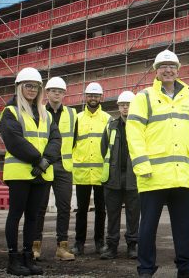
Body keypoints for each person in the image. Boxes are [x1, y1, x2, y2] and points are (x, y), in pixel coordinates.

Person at [126, 49, 189, 278]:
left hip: (182, 174)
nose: (168, 69)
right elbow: (134, 133)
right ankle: (145, 269)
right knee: (148, 226)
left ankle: (186, 267)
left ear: (178, 70)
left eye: (172, 65)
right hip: (153, 175)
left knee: (183, 226)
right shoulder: (144, 97)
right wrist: (142, 166)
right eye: (163, 66)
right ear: (156, 70)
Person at [1, 67, 61, 276]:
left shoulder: (46, 114)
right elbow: (14, 141)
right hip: (20, 173)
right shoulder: (11, 111)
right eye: (28, 85)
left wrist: (44, 162)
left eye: (35, 86)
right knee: (16, 215)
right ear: (19, 87)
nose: (32, 90)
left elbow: (55, 140)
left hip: (41, 173)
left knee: (33, 217)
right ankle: (13, 259)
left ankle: (28, 256)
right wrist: (39, 159)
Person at [34, 76, 77, 261]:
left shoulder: (72, 114)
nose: (57, 94)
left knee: (64, 207)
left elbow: (74, 138)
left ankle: (62, 247)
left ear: (64, 94)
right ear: (47, 93)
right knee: (39, 207)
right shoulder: (39, 111)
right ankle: (35, 246)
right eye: (53, 91)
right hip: (45, 165)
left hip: (64, 165)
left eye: (60, 92)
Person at [100, 90, 140, 260]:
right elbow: (104, 149)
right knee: (113, 214)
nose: (125, 107)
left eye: (128, 104)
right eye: (123, 105)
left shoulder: (140, 126)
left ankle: (132, 246)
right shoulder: (111, 126)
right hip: (113, 178)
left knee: (133, 214)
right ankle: (111, 247)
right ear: (118, 107)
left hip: (134, 178)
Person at [72, 82, 109, 256]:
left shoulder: (108, 119)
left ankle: (99, 242)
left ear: (101, 97)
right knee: (81, 210)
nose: (93, 98)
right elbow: (71, 144)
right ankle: (79, 243)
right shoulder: (77, 119)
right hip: (82, 173)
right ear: (85, 97)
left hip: (102, 173)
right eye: (90, 95)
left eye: (96, 96)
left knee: (101, 211)